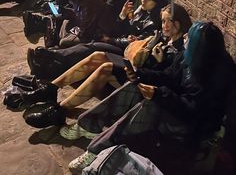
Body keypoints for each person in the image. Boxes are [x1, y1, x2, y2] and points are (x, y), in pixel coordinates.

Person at [49, 22, 235, 174]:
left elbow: (195, 110)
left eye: (189, 37)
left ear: (199, 46)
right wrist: (139, 74)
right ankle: (85, 125)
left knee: (150, 105)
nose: (185, 38)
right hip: (177, 106)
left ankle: (95, 149)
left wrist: (158, 94)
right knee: (133, 87)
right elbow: (168, 76)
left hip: (193, 126)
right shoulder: (188, 58)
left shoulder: (219, 73)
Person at [23, 3, 192, 129]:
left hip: (144, 80)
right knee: (99, 55)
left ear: (180, 22)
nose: (165, 25)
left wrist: (159, 60)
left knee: (106, 68)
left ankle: (59, 110)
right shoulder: (165, 38)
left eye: (169, 21)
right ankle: (51, 88)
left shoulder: (180, 50)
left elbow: (166, 78)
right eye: (163, 21)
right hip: (137, 68)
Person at [26, 0, 168, 79]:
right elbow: (122, 30)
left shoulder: (154, 23)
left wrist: (109, 39)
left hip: (125, 52)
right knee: (89, 44)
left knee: (92, 47)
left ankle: (51, 58)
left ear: (157, 1)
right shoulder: (141, 12)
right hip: (119, 41)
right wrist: (123, 16)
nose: (143, 0)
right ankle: (50, 59)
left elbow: (133, 44)